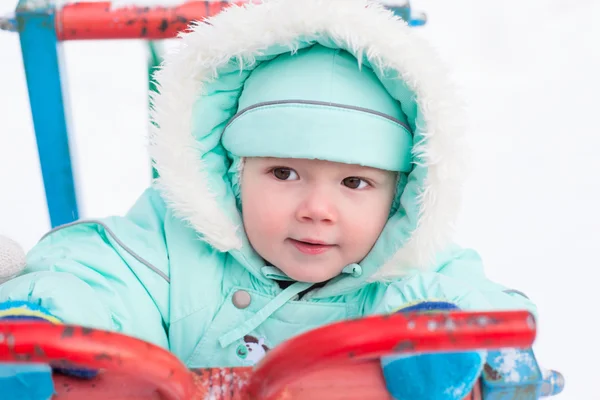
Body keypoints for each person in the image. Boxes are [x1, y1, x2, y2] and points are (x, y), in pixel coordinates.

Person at [0, 0, 539, 398]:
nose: (316, 209)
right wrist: (48, 318)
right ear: (235, 177)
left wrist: (444, 338)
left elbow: (478, 304)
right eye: (284, 172)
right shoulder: (174, 243)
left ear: (400, 194)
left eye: (354, 183)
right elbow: (97, 276)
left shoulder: (404, 270)